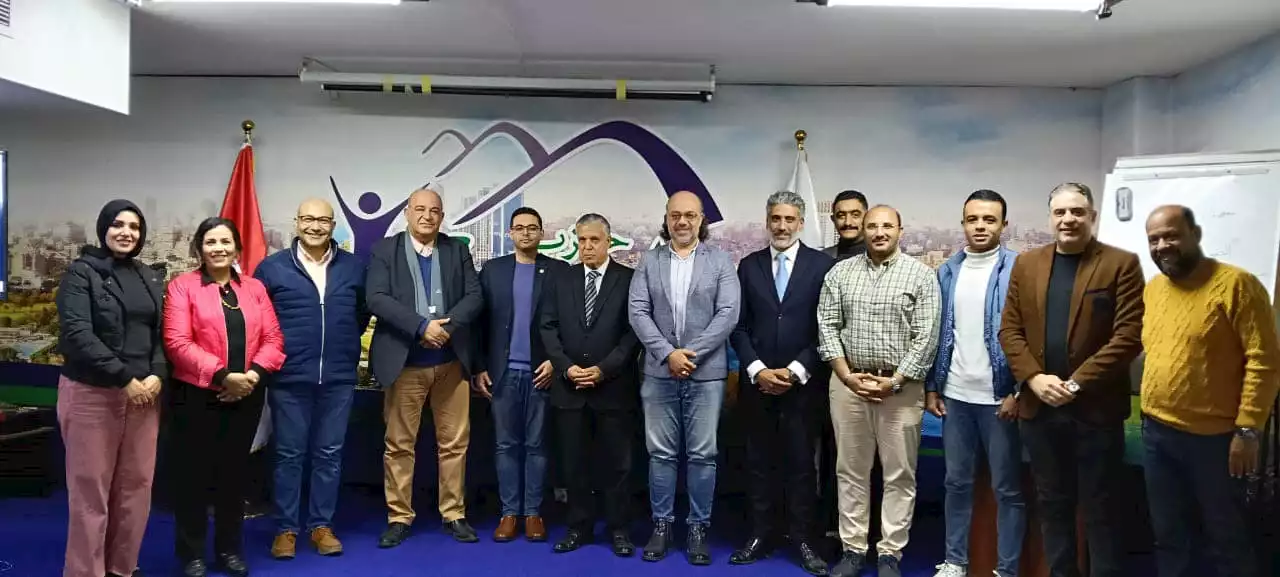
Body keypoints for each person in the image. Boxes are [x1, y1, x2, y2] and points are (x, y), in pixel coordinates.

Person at [999, 182, 1144, 577]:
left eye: (1077, 211)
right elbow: (1009, 330)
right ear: (1050, 218)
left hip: (1095, 412)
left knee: (1101, 511)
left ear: (1092, 216)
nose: (1068, 219)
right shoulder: (1027, 264)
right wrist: (1033, 379)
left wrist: (1076, 384)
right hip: (1040, 411)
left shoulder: (1121, 264)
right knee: (1052, 505)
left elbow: (1128, 336)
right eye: (1060, 212)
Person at [1139, 205, 1279, 577]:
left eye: (1171, 235)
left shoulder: (1237, 285)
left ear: (1196, 235)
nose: (1162, 245)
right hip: (1157, 434)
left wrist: (1248, 430)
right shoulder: (1154, 289)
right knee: (1169, 535)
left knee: (1226, 538)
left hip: (1216, 441)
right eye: (1154, 239)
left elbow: (1264, 361)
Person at [818, 204, 941, 577]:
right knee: (850, 471)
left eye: (887, 225)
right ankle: (853, 549)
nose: (879, 232)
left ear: (900, 231)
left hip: (900, 389)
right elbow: (827, 326)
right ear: (863, 230)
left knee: (899, 474)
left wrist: (896, 381)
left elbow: (927, 337)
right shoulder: (840, 273)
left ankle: (890, 553)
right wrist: (847, 376)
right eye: (872, 225)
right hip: (848, 385)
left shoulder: (921, 276)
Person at [164, 217, 286, 577]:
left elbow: (274, 339)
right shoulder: (182, 287)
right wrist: (223, 377)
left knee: (234, 477)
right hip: (196, 395)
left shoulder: (255, 289)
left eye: (225, 242)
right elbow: (177, 342)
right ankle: (192, 554)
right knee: (193, 478)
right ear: (199, 248)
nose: (218, 248)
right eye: (210, 242)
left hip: (247, 394)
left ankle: (230, 550)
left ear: (237, 248)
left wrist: (252, 376)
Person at [366, 184, 484, 547]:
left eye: (434, 211)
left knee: (455, 443)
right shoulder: (385, 250)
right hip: (405, 363)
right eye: (419, 209)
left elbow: (475, 296)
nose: (427, 216)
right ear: (407, 213)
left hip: (451, 362)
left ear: (442, 217)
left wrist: (446, 328)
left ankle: (454, 513)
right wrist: (421, 327)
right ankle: (399, 517)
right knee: (399, 445)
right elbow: (376, 298)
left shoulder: (456, 250)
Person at [628, 190, 741, 565]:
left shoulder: (720, 261)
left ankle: (697, 528)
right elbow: (638, 312)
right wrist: (668, 354)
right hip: (659, 372)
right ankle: (661, 525)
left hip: (706, 374)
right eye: (675, 215)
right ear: (666, 218)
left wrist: (690, 354)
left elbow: (728, 313)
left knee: (703, 455)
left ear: (701, 219)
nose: (682, 221)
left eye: (690, 215)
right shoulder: (650, 260)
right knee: (660, 454)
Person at [55, 200, 167, 577]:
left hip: (145, 396)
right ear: (103, 227)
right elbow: (78, 334)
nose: (126, 232)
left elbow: (160, 333)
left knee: (137, 488)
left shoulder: (149, 276)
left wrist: (157, 373)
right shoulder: (81, 273)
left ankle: (122, 568)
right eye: (118, 224)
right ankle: (86, 571)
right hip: (92, 393)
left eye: (134, 227)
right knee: (91, 492)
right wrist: (124, 378)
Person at [254, 198, 370, 559]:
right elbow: (259, 320)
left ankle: (321, 525)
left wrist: (342, 347)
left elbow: (361, 315)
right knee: (289, 454)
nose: (315, 226)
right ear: (296, 222)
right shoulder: (271, 268)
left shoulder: (354, 267)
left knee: (329, 454)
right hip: (289, 377)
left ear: (333, 225)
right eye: (308, 219)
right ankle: (286, 529)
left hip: (337, 377)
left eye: (322, 220)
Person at [728, 191, 833, 576]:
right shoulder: (749, 265)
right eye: (776, 219)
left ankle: (803, 539)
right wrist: (757, 370)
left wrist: (795, 371)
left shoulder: (823, 266)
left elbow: (827, 327)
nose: (782, 226)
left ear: (801, 223)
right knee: (758, 463)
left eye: (790, 219)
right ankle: (760, 534)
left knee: (802, 465)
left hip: (803, 388)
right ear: (767, 221)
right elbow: (738, 327)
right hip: (758, 386)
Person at [925, 190, 1026, 577]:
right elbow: (938, 334)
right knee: (956, 484)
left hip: (1000, 398)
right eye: (972, 219)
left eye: (989, 219)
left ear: (1004, 224)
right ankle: (955, 562)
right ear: (963, 223)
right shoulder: (947, 271)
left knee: (1007, 489)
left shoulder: (1019, 269)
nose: (980, 226)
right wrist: (933, 386)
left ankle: (1007, 570)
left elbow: (1029, 334)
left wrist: (1017, 391)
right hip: (955, 398)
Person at [541, 213, 641, 557]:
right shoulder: (562, 279)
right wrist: (567, 368)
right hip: (569, 389)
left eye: (594, 240)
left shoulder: (628, 279)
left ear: (608, 242)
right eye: (582, 240)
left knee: (617, 465)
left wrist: (604, 369)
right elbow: (548, 328)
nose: (587, 247)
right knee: (574, 464)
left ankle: (619, 529)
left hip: (613, 389)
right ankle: (578, 527)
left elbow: (633, 333)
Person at [473, 206, 565, 542]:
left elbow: (568, 324)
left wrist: (556, 361)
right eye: (519, 227)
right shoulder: (492, 270)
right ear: (510, 233)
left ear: (541, 233)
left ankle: (533, 513)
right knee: (505, 445)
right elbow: (479, 323)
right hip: (502, 374)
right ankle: (509, 513)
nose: (526, 233)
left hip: (542, 372)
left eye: (532, 227)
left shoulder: (558, 271)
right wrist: (479, 366)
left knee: (537, 445)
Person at [823, 190, 869, 262]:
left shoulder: (880, 257)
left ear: (868, 217)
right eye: (841, 216)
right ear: (833, 219)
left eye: (855, 215)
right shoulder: (822, 258)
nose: (847, 223)